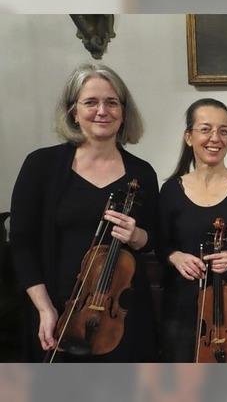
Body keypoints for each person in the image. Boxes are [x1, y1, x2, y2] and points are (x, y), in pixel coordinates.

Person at [10, 63, 159, 361]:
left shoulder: (141, 173)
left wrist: (138, 235)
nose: (102, 110)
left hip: (121, 319)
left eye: (112, 102)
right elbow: (22, 245)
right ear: (73, 112)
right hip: (57, 311)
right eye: (90, 102)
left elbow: (156, 238)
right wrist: (44, 308)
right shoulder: (41, 166)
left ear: (124, 112)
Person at [157, 98, 227, 362]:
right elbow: (159, 244)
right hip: (181, 309)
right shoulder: (171, 190)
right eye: (205, 129)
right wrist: (176, 257)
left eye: (224, 130)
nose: (215, 138)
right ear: (189, 136)